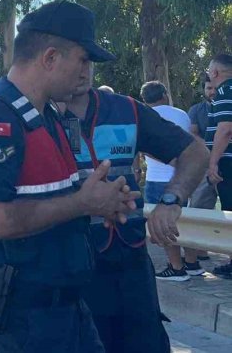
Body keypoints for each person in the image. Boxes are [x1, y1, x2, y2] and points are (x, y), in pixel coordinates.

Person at [0, 0, 139, 353]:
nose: (87, 72)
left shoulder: (47, 116)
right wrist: (81, 203)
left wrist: (100, 202)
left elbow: (51, 196)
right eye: (83, 59)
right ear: (51, 58)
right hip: (23, 321)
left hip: (65, 311)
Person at [62, 72, 206, 353]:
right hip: (72, 266)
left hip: (131, 262)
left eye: (85, 58)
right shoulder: (37, 115)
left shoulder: (125, 110)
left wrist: (171, 199)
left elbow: (195, 151)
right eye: (72, 56)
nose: (80, 67)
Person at [138, 81, 206, 281]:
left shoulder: (144, 115)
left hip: (157, 178)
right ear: (164, 94)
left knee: (164, 225)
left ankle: (176, 267)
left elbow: (144, 148)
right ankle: (192, 263)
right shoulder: (182, 114)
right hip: (184, 178)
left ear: (144, 99)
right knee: (185, 221)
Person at [205, 54, 232, 277]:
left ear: (215, 72)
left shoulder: (224, 91)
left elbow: (225, 130)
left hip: (228, 162)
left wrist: (212, 163)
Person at [187, 74, 219, 262]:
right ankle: (200, 251)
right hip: (205, 166)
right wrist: (211, 151)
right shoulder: (196, 110)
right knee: (199, 208)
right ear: (204, 90)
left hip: (227, 164)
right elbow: (193, 134)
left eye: (215, 88)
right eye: (209, 88)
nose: (212, 92)